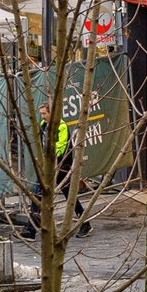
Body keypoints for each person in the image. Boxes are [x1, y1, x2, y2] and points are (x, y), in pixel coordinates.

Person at [27, 101, 90, 238]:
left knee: (69, 196)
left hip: (61, 167)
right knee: (37, 194)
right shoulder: (43, 126)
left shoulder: (61, 127)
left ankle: (84, 223)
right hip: (47, 167)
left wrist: (49, 159)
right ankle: (31, 229)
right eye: (41, 114)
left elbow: (60, 149)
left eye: (44, 113)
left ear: (52, 113)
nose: (42, 117)